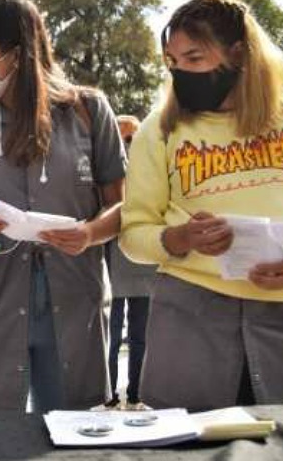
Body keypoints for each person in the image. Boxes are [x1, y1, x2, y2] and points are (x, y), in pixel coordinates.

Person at [120, 0, 283, 411]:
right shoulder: (158, 130)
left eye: (194, 58)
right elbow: (134, 233)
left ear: (238, 53)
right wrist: (179, 238)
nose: (181, 73)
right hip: (189, 322)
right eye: (172, 62)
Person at [0, 0, 127, 412]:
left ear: (17, 54)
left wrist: (90, 233)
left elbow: (123, 209)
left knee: (73, 436)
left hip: (73, 307)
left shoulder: (89, 112)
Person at [104, 114, 155, 410]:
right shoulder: (108, 168)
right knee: (110, 339)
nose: (126, 145)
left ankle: (136, 392)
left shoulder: (148, 170)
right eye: (121, 139)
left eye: (131, 139)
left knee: (140, 337)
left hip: (143, 265)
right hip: (112, 264)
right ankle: (109, 392)